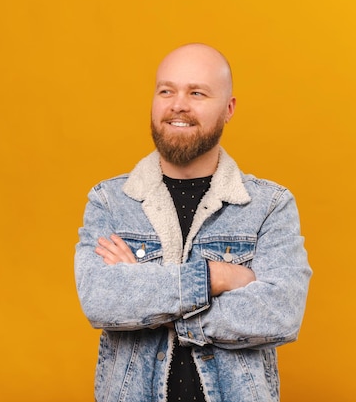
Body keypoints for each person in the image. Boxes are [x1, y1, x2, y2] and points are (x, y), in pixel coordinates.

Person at [74, 43, 312, 402]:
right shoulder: (110, 201)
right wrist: (217, 277)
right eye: (166, 90)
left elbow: (281, 313)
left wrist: (146, 295)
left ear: (229, 109)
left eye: (197, 93)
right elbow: (101, 300)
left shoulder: (269, 205)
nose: (178, 105)